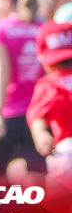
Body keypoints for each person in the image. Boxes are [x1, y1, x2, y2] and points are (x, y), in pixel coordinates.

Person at [0, 0, 46, 186]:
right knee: (38, 178)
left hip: (8, 111)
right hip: (38, 114)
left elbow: (1, 72)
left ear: (7, 0)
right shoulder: (43, 27)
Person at [27, 20, 72, 182]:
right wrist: (40, 135)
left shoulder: (48, 84)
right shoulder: (49, 85)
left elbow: (37, 116)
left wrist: (40, 135)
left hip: (65, 152)